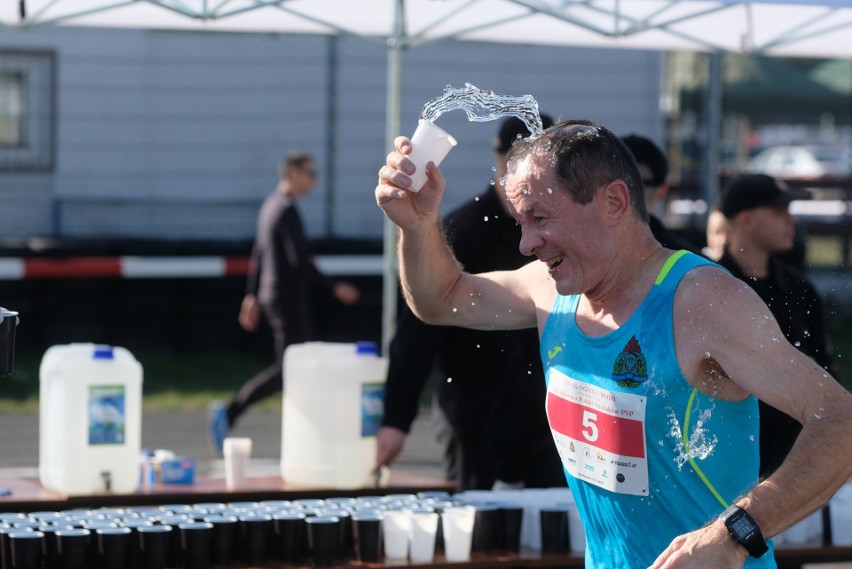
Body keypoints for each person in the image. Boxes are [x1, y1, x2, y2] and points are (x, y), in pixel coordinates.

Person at [375, 119, 852, 568]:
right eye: (521, 220)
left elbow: (840, 421)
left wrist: (734, 533)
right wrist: (416, 226)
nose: (525, 244)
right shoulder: (549, 291)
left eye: (539, 217)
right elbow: (441, 299)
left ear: (614, 203)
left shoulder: (703, 301)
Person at [375, 116, 567, 491]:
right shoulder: (464, 229)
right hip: (475, 414)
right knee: (480, 538)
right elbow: (422, 322)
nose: (531, 244)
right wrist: (396, 418)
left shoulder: (568, 234)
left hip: (542, 419)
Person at [209, 151, 360, 453]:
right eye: (311, 173)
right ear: (293, 172)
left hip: (273, 295)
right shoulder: (286, 210)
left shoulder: (271, 206)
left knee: (295, 368)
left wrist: (251, 295)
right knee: (290, 369)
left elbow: (260, 254)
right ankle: (230, 412)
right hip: (286, 298)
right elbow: (298, 261)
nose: (315, 179)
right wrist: (334, 287)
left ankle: (307, 432)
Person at [716, 173, 837, 478]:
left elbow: (823, 371)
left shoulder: (800, 291)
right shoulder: (709, 288)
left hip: (793, 467)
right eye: (779, 212)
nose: (791, 221)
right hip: (725, 465)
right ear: (747, 219)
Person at [621, 134, 699, 253]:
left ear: (663, 189)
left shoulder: (690, 265)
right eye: (611, 182)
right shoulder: (586, 251)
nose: (623, 192)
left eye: (639, 183)